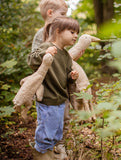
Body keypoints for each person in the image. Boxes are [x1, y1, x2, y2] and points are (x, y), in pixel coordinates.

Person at [28, 16, 79, 160]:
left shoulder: (66, 55)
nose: (76, 36)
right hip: (47, 97)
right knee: (46, 130)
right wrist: (45, 53)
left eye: (77, 33)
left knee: (57, 129)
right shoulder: (46, 46)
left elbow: (66, 75)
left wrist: (71, 76)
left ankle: (52, 152)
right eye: (72, 32)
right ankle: (42, 154)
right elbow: (31, 61)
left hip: (61, 98)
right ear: (58, 31)